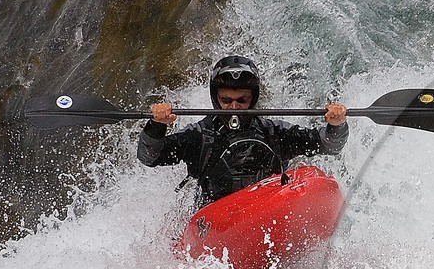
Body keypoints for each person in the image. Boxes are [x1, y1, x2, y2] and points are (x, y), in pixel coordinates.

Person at [137, 55, 348, 207]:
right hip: (215, 221)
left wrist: (336, 125)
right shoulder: (199, 135)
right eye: (226, 100)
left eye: (242, 100)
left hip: (268, 209)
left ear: (253, 98)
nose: (234, 107)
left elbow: (329, 145)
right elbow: (149, 157)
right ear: (215, 98)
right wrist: (157, 125)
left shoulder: (274, 132)